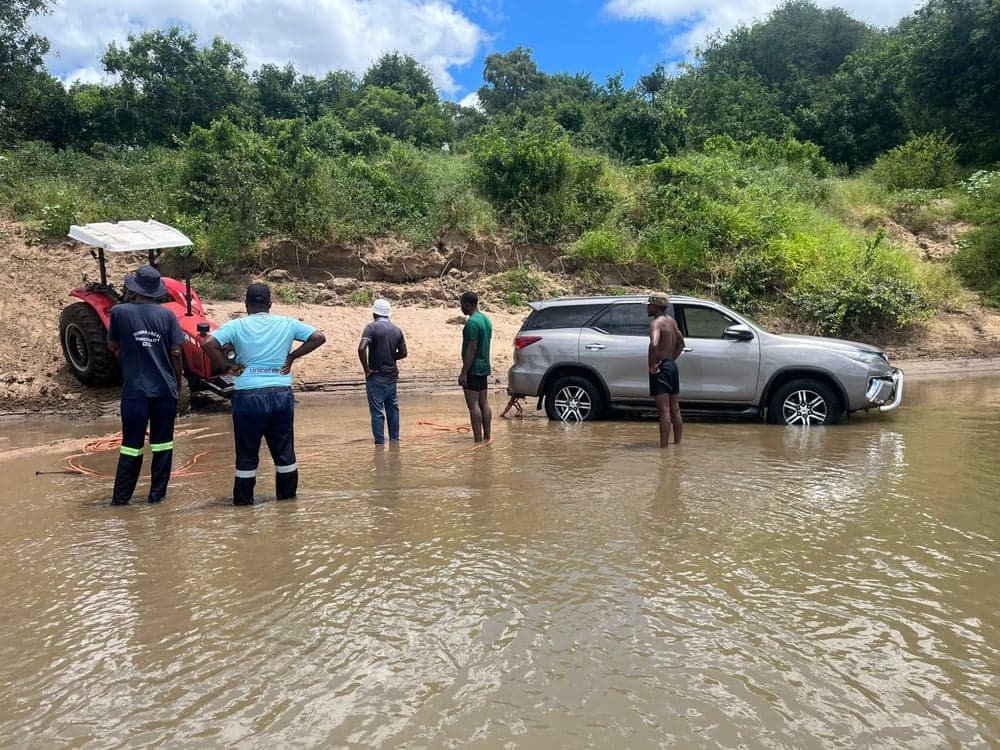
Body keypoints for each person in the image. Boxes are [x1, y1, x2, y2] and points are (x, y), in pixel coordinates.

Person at [202, 283, 326, 505]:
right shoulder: (287, 323)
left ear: (246, 305)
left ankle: (244, 508)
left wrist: (227, 367)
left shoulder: (236, 325)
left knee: (247, 455)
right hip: (280, 394)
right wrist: (292, 357)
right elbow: (318, 337)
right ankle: (287, 507)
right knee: (284, 453)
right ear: (269, 304)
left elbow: (208, 343)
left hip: (248, 397)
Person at [106, 265, 185, 505]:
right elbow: (176, 352)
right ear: (156, 291)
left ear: (134, 289)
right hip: (164, 392)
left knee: (131, 447)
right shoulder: (168, 315)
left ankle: (120, 501)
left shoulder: (119, 312)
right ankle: (156, 499)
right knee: (163, 447)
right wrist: (177, 386)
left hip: (135, 393)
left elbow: (112, 346)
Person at [358, 298, 407, 444]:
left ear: (374, 313)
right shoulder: (397, 330)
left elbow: (361, 349)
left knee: (377, 412)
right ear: (388, 314)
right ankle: (394, 440)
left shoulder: (371, 328)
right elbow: (403, 353)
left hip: (376, 375)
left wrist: (366, 369)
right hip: (391, 374)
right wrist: (391, 356)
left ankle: (379, 444)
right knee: (393, 408)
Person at [647, 293, 685, 447]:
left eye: (649, 305)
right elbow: (681, 343)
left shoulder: (657, 323)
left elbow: (654, 344)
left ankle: (663, 449)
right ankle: (677, 446)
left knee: (664, 411)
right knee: (675, 409)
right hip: (671, 367)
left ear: (655, 306)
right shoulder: (672, 322)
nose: (647, 308)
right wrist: (671, 359)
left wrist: (652, 365)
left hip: (661, 368)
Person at [458, 291, 493, 443]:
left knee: (473, 405)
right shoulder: (486, 320)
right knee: (484, 403)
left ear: (467, 304)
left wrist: (464, 372)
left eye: (461, 304)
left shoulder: (472, 323)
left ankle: (478, 440)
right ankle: (487, 437)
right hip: (484, 366)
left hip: (473, 368)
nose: (461, 308)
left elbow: (471, 349)